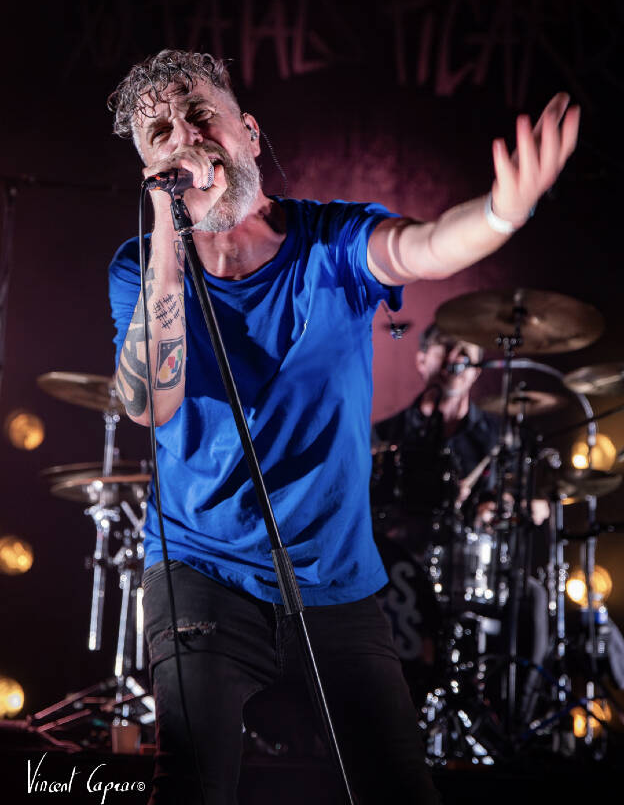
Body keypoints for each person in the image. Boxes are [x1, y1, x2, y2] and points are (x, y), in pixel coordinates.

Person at [107, 48, 579, 804]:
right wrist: (168, 220)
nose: (186, 139)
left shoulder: (331, 241)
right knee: (191, 783)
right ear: (148, 168)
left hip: (332, 576)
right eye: (161, 134)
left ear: (248, 132)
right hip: (201, 568)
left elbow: (425, 246)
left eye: (199, 116)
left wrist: (500, 212)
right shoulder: (141, 266)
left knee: (398, 788)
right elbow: (150, 404)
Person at [373, 323, 550, 725]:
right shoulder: (385, 436)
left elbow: (537, 504)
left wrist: (503, 506)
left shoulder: (501, 439)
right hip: (405, 572)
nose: (456, 358)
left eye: (465, 351)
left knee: (533, 598)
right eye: (445, 348)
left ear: (476, 368)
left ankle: (511, 725)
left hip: (476, 569)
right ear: (422, 360)